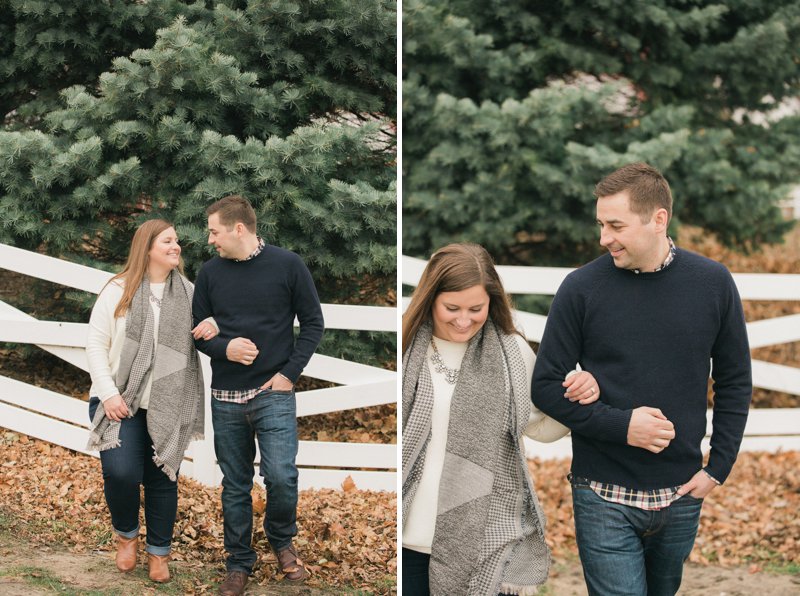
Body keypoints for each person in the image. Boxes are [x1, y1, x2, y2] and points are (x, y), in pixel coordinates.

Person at [531, 162, 752, 596]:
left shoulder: (712, 283)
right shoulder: (581, 288)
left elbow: (735, 379)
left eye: (615, 225)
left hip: (682, 493)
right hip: (601, 492)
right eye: (600, 225)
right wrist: (622, 425)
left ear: (658, 219)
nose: (603, 238)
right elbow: (544, 385)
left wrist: (719, 467)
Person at [402, 242, 601, 596]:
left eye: (476, 308)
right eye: (452, 308)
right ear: (430, 299)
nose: (464, 320)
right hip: (408, 534)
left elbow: (539, 424)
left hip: (484, 536)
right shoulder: (404, 349)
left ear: (491, 303)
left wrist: (578, 396)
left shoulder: (512, 352)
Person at [192, 195, 324, 596]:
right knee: (235, 484)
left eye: (214, 231)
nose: (210, 239)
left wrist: (288, 374)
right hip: (225, 396)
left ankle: (281, 540)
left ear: (238, 228)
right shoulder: (210, 273)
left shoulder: (287, 265)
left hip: (273, 392)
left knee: (282, 476)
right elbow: (197, 330)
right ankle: (238, 563)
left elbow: (314, 322)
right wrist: (224, 348)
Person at [86, 218, 217, 583]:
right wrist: (109, 393)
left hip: (168, 403)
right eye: (168, 241)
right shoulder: (118, 289)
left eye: (177, 242)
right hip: (120, 401)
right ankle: (126, 535)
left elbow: (215, 324)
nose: (176, 247)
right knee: (121, 471)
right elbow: (96, 344)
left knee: (163, 477)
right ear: (147, 248)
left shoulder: (190, 293)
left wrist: (215, 327)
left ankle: (159, 553)